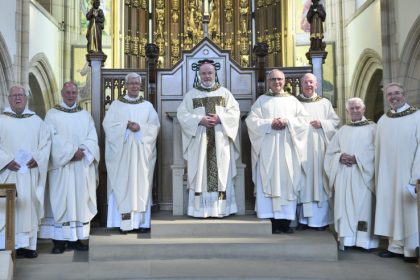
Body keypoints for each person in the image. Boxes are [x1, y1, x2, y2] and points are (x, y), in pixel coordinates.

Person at [39, 82, 99, 254]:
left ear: (77, 93)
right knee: (61, 201)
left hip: (81, 167)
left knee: (79, 201)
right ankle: (58, 241)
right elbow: (51, 138)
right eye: (68, 92)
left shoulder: (85, 115)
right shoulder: (52, 115)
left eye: (74, 92)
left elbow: (92, 137)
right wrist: (71, 152)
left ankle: (77, 239)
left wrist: (84, 150)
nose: (71, 95)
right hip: (62, 168)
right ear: (62, 93)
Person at [245, 69, 308, 233]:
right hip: (268, 151)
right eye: (273, 79)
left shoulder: (293, 101)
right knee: (268, 180)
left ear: (284, 81)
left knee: (287, 183)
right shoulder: (261, 101)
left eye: (279, 79)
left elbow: (303, 121)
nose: (277, 82)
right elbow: (251, 121)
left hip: (288, 150)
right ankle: (270, 221)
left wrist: (288, 122)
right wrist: (269, 123)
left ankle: (285, 223)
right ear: (268, 82)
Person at [177, 59, 240, 218]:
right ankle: (200, 209)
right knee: (201, 174)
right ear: (199, 75)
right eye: (204, 73)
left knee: (221, 174)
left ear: (215, 73)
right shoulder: (191, 95)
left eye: (210, 73)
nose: (207, 76)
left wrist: (220, 119)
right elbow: (182, 115)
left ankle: (221, 208)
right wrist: (199, 120)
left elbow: (235, 113)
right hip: (200, 144)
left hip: (220, 142)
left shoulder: (225, 93)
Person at [103, 73, 160, 233]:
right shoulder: (116, 105)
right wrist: (126, 126)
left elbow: (155, 126)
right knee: (123, 184)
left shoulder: (147, 106)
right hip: (122, 156)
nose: (134, 86)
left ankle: (142, 223)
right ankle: (124, 224)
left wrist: (140, 127)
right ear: (125, 85)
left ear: (140, 86)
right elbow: (108, 125)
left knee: (141, 185)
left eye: (137, 83)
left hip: (142, 156)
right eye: (131, 83)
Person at [0, 85, 51, 258]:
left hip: (29, 173)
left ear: (26, 98)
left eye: (20, 95)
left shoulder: (36, 121)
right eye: (14, 95)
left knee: (28, 207)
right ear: (9, 98)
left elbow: (46, 144)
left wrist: (37, 158)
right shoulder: (1, 120)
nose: (18, 98)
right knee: (8, 210)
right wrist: (6, 161)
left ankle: (28, 246)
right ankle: (7, 245)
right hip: (8, 174)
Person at [324, 98, 378, 251]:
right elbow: (330, 153)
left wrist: (358, 159)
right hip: (344, 176)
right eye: (351, 109)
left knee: (364, 209)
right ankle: (347, 240)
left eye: (358, 108)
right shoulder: (342, 130)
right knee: (346, 207)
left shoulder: (374, 128)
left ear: (364, 109)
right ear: (347, 112)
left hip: (363, 177)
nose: (355, 111)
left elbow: (378, 151)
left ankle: (364, 241)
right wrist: (339, 157)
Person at [375, 82, 420, 263]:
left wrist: (416, 176)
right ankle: (394, 247)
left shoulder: (417, 116)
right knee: (392, 209)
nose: (394, 97)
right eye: (390, 94)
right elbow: (376, 150)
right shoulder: (383, 120)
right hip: (387, 175)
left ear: (404, 95)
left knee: (409, 212)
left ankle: (411, 250)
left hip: (408, 174)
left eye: (397, 93)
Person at [297, 73, 340, 231]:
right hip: (300, 149)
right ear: (301, 85)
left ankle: (320, 222)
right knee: (303, 181)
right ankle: (303, 220)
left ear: (316, 85)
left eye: (311, 82)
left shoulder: (324, 103)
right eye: (306, 82)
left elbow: (335, 121)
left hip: (320, 149)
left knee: (320, 182)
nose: (308, 85)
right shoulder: (295, 103)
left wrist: (322, 123)